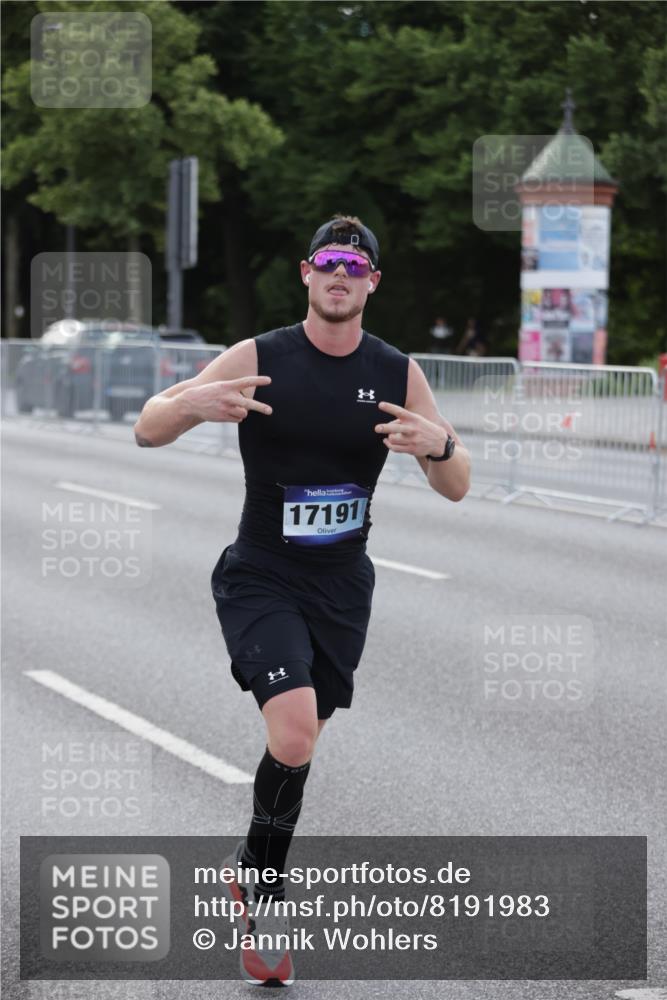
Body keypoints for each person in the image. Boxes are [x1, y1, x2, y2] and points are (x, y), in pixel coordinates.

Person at [133, 214, 471, 987]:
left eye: (355, 265)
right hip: (261, 573)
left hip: (342, 587)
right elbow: (149, 430)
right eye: (328, 262)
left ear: (372, 283)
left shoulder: (396, 371)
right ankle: (268, 891)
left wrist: (441, 449)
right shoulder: (261, 355)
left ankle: (250, 864)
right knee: (290, 734)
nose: (340, 275)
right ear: (306, 273)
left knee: (302, 741)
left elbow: (457, 486)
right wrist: (192, 406)